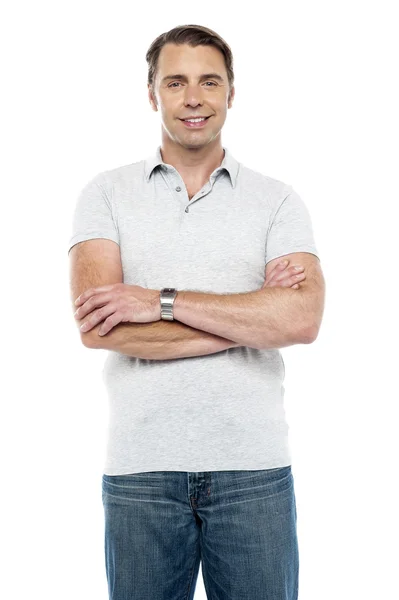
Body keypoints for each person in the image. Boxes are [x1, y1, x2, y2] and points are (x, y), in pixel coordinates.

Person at [68, 23, 325, 600]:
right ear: (152, 92)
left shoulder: (277, 200)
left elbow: (302, 320)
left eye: (209, 82)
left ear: (231, 92)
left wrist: (156, 302)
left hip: (254, 470)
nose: (193, 98)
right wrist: (253, 315)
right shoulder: (105, 195)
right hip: (141, 471)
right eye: (175, 81)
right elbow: (97, 327)